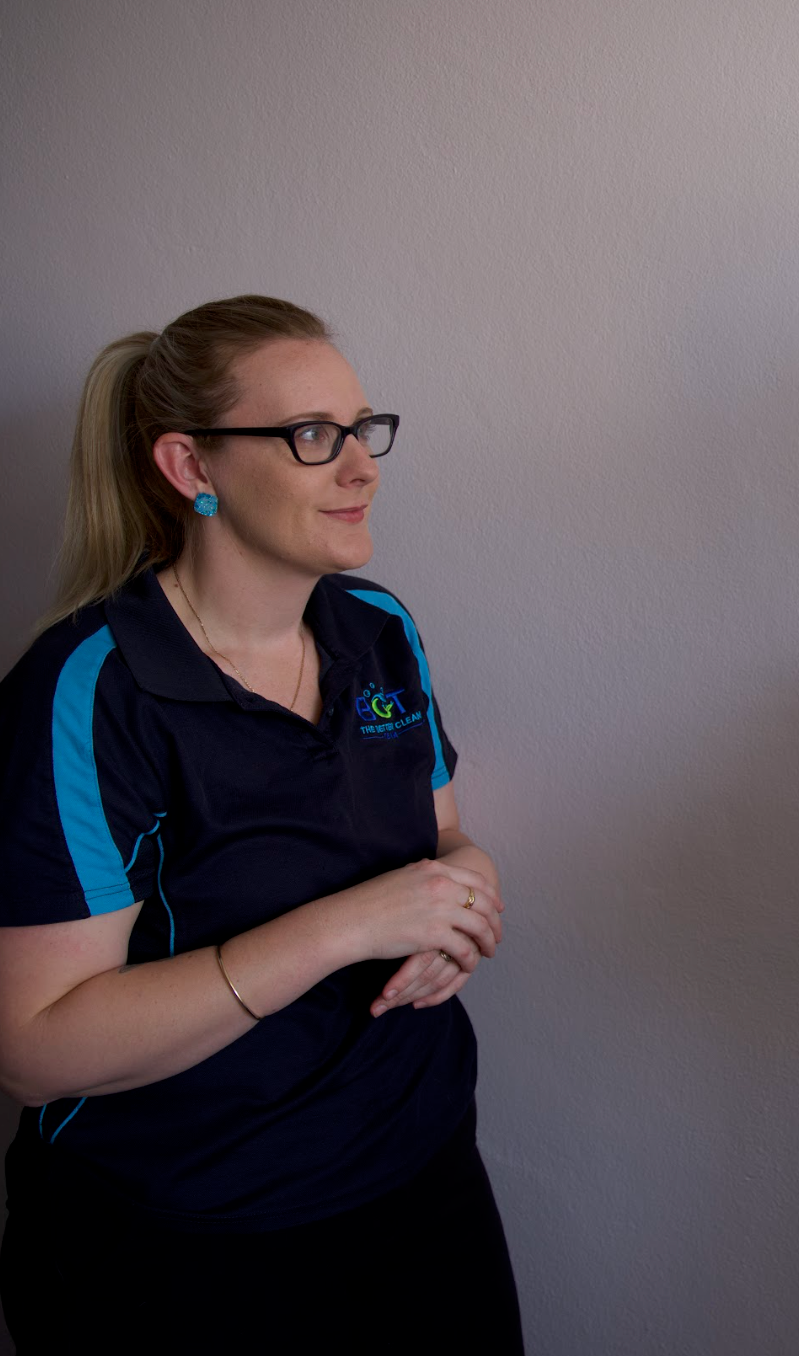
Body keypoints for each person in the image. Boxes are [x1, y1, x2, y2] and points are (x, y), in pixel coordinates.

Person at [0, 296, 523, 1352]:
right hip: (189, 1238)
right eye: (312, 435)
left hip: (421, 1174)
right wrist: (346, 927)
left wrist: (464, 902)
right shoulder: (88, 692)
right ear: (191, 467)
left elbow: (443, 843)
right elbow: (34, 1049)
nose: (362, 467)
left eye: (363, 429)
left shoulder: (377, 627)